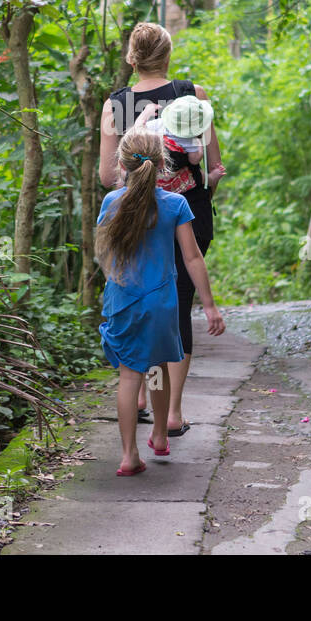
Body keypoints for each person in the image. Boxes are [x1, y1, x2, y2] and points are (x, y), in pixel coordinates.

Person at [100, 23, 225, 438]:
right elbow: (209, 168)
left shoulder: (114, 105)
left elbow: (106, 177)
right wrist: (208, 181)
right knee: (178, 305)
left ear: (131, 59)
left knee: (140, 297)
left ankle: (138, 395)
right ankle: (171, 414)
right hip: (186, 212)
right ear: (169, 57)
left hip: (134, 217)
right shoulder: (193, 95)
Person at [96, 128, 225, 476]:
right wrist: (210, 305)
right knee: (157, 368)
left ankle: (128, 456)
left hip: (123, 300)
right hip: (162, 303)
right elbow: (193, 258)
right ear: (162, 163)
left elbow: (105, 254)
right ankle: (159, 435)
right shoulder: (176, 204)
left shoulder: (111, 203)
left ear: (122, 164)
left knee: (128, 376)